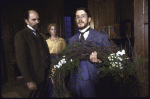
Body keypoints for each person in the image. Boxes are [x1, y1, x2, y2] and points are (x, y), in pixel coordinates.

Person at [68, 7, 110, 97]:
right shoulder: (71, 40)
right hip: (75, 84)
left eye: (83, 16)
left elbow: (110, 61)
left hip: (93, 83)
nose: (79, 19)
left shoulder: (101, 37)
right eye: (77, 17)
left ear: (89, 19)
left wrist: (99, 61)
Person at [14, 10, 50, 98]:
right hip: (34, 78)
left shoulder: (39, 35)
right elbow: (21, 60)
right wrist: (29, 80)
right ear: (26, 21)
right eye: (34, 20)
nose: (37, 22)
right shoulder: (21, 35)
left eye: (38, 19)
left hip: (44, 76)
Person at [46, 23, 66, 97]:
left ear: (56, 30)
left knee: (60, 78)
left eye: (54, 29)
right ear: (49, 31)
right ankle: (52, 95)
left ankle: (61, 95)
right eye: (51, 29)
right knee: (51, 78)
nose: (53, 31)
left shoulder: (61, 40)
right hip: (51, 60)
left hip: (59, 60)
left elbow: (65, 52)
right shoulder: (47, 41)